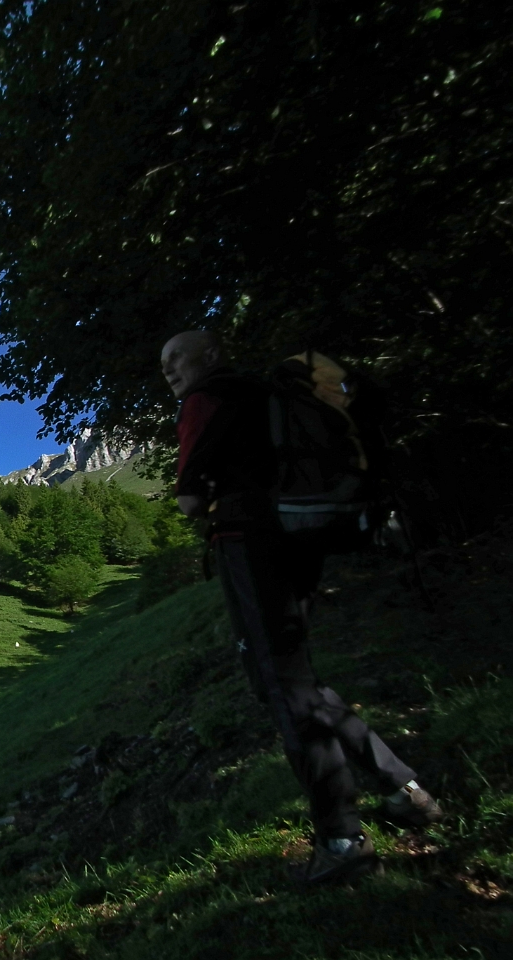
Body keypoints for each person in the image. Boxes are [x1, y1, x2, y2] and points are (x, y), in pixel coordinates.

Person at [160, 330, 443, 885]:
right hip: (301, 539)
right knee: (298, 681)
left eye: (176, 358)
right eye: (163, 363)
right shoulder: (266, 393)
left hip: (250, 546)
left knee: (282, 688)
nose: (168, 370)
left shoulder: (206, 400)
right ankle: (405, 789)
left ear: (210, 354)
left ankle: (341, 838)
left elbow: (192, 500)